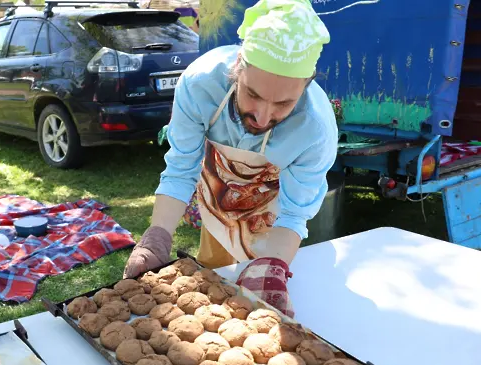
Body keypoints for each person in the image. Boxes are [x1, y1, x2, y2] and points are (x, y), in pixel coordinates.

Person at [123, 0, 338, 318]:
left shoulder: (315, 130)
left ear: (305, 87)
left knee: (267, 302)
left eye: (283, 103)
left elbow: (294, 214)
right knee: (212, 296)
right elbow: (182, 168)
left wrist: (271, 266)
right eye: (252, 94)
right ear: (239, 65)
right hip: (220, 204)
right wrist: (157, 237)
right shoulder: (199, 86)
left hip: (277, 222)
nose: (263, 117)